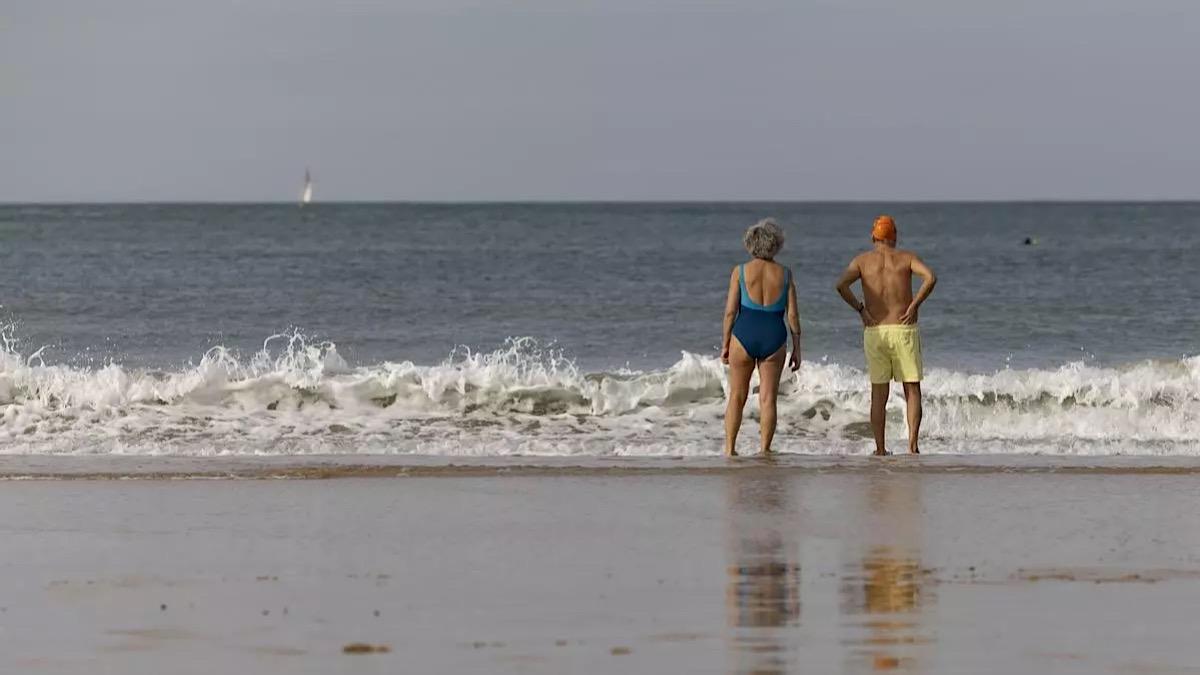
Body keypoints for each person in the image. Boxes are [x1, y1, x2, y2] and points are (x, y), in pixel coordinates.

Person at [835, 215, 937, 455]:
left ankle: (880, 449)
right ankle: (912, 446)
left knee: (879, 393)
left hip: (875, 330)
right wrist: (914, 306)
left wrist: (861, 309)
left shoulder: (861, 261)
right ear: (895, 237)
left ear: (873, 237)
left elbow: (841, 285)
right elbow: (930, 278)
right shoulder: (907, 258)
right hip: (903, 328)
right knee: (912, 389)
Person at [721, 219, 802, 456]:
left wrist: (726, 343)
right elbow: (794, 316)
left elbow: (729, 312)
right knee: (768, 399)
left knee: (737, 396)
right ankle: (765, 450)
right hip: (774, 337)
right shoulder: (785, 274)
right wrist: (797, 347)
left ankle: (730, 449)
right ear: (775, 245)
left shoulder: (740, 271)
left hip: (744, 333)